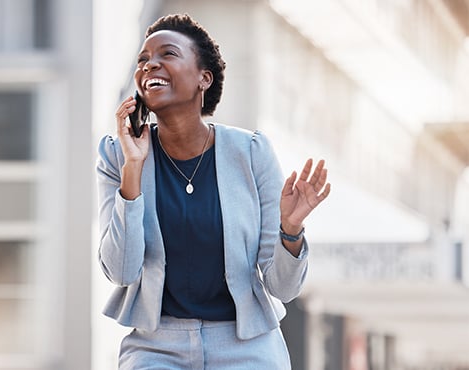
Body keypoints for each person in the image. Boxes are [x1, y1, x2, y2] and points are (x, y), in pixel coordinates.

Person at [96, 13, 331, 370]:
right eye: (143, 59)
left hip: (244, 344)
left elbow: (283, 288)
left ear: (203, 78)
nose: (150, 65)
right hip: (157, 346)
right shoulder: (117, 155)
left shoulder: (251, 153)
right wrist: (133, 168)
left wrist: (291, 230)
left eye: (168, 54)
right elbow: (121, 271)